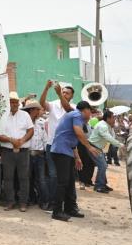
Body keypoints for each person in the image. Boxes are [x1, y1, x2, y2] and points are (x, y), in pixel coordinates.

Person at [49, 101, 100, 222]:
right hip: (61, 151)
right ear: (85, 110)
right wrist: (90, 147)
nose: (91, 115)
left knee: (70, 181)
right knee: (63, 182)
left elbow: (72, 141)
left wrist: (77, 157)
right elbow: (78, 132)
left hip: (66, 151)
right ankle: (56, 211)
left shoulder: (75, 116)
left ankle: (70, 208)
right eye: (90, 112)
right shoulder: (77, 115)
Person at [39, 80, 75, 209]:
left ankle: (64, 202)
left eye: (67, 93)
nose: (64, 94)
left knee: (65, 177)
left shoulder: (74, 107)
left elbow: (67, 108)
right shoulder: (53, 104)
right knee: (53, 175)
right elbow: (41, 103)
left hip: (66, 146)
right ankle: (53, 202)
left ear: (71, 96)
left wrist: (59, 94)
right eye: (63, 92)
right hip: (51, 144)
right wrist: (46, 88)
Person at [0, 92, 35, 212]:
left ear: (19, 103)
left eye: (15, 102)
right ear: (7, 103)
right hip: (7, 152)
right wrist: (10, 140)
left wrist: (21, 141)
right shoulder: (1, 116)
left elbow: (31, 130)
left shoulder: (25, 115)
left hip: (23, 151)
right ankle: (10, 202)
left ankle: (23, 203)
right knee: (8, 178)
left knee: (24, 178)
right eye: (11, 102)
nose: (14, 104)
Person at [88, 109, 120, 193]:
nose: (114, 120)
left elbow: (112, 136)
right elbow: (108, 138)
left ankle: (103, 184)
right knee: (102, 166)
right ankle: (98, 186)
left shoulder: (107, 125)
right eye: (113, 118)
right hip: (93, 147)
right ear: (108, 119)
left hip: (97, 147)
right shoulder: (103, 126)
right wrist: (120, 145)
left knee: (103, 165)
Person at [24, 100, 48, 209]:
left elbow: (45, 138)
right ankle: (30, 198)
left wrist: (46, 152)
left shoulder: (42, 122)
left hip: (39, 154)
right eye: (37, 109)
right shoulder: (24, 122)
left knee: (41, 179)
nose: (39, 111)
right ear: (32, 110)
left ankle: (43, 200)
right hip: (27, 154)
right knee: (28, 178)